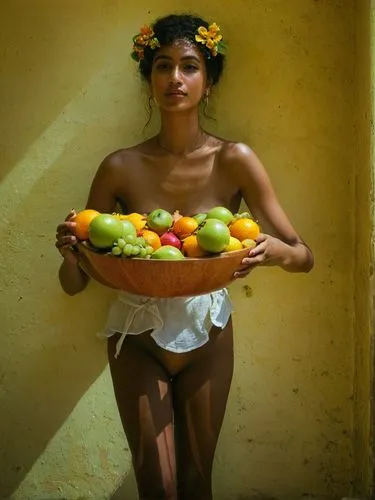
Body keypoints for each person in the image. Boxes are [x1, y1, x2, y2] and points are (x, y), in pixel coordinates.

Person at [55, 13, 314, 500]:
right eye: (162, 65)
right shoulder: (119, 167)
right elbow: (76, 283)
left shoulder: (234, 158)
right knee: (159, 487)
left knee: (198, 483)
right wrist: (71, 255)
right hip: (137, 337)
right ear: (149, 79)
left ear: (209, 81)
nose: (175, 77)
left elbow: (305, 255)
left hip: (209, 334)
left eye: (190, 66)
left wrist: (276, 251)